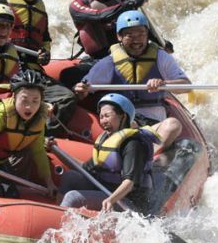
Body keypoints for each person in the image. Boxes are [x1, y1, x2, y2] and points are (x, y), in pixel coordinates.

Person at [73, 10, 189, 150]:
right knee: (128, 124)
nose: (137, 40)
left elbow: (186, 86)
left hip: (154, 123)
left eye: (141, 34)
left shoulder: (161, 57)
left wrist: (164, 84)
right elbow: (83, 91)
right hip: (124, 120)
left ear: (147, 35)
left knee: (173, 125)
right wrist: (80, 90)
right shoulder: (109, 63)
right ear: (119, 36)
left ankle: (150, 157)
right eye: (130, 35)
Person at [58, 94, 162, 213]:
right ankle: (55, 211)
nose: (103, 121)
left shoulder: (133, 144)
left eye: (107, 116)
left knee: (73, 197)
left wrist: (111, 200)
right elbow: (84, 169)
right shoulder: (106, 141)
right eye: (101, 117)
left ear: (123, 116)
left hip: (127, 201)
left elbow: (130, 183)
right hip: (106, 190)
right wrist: (57, 151)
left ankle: (58, 223)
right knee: (70, 176)